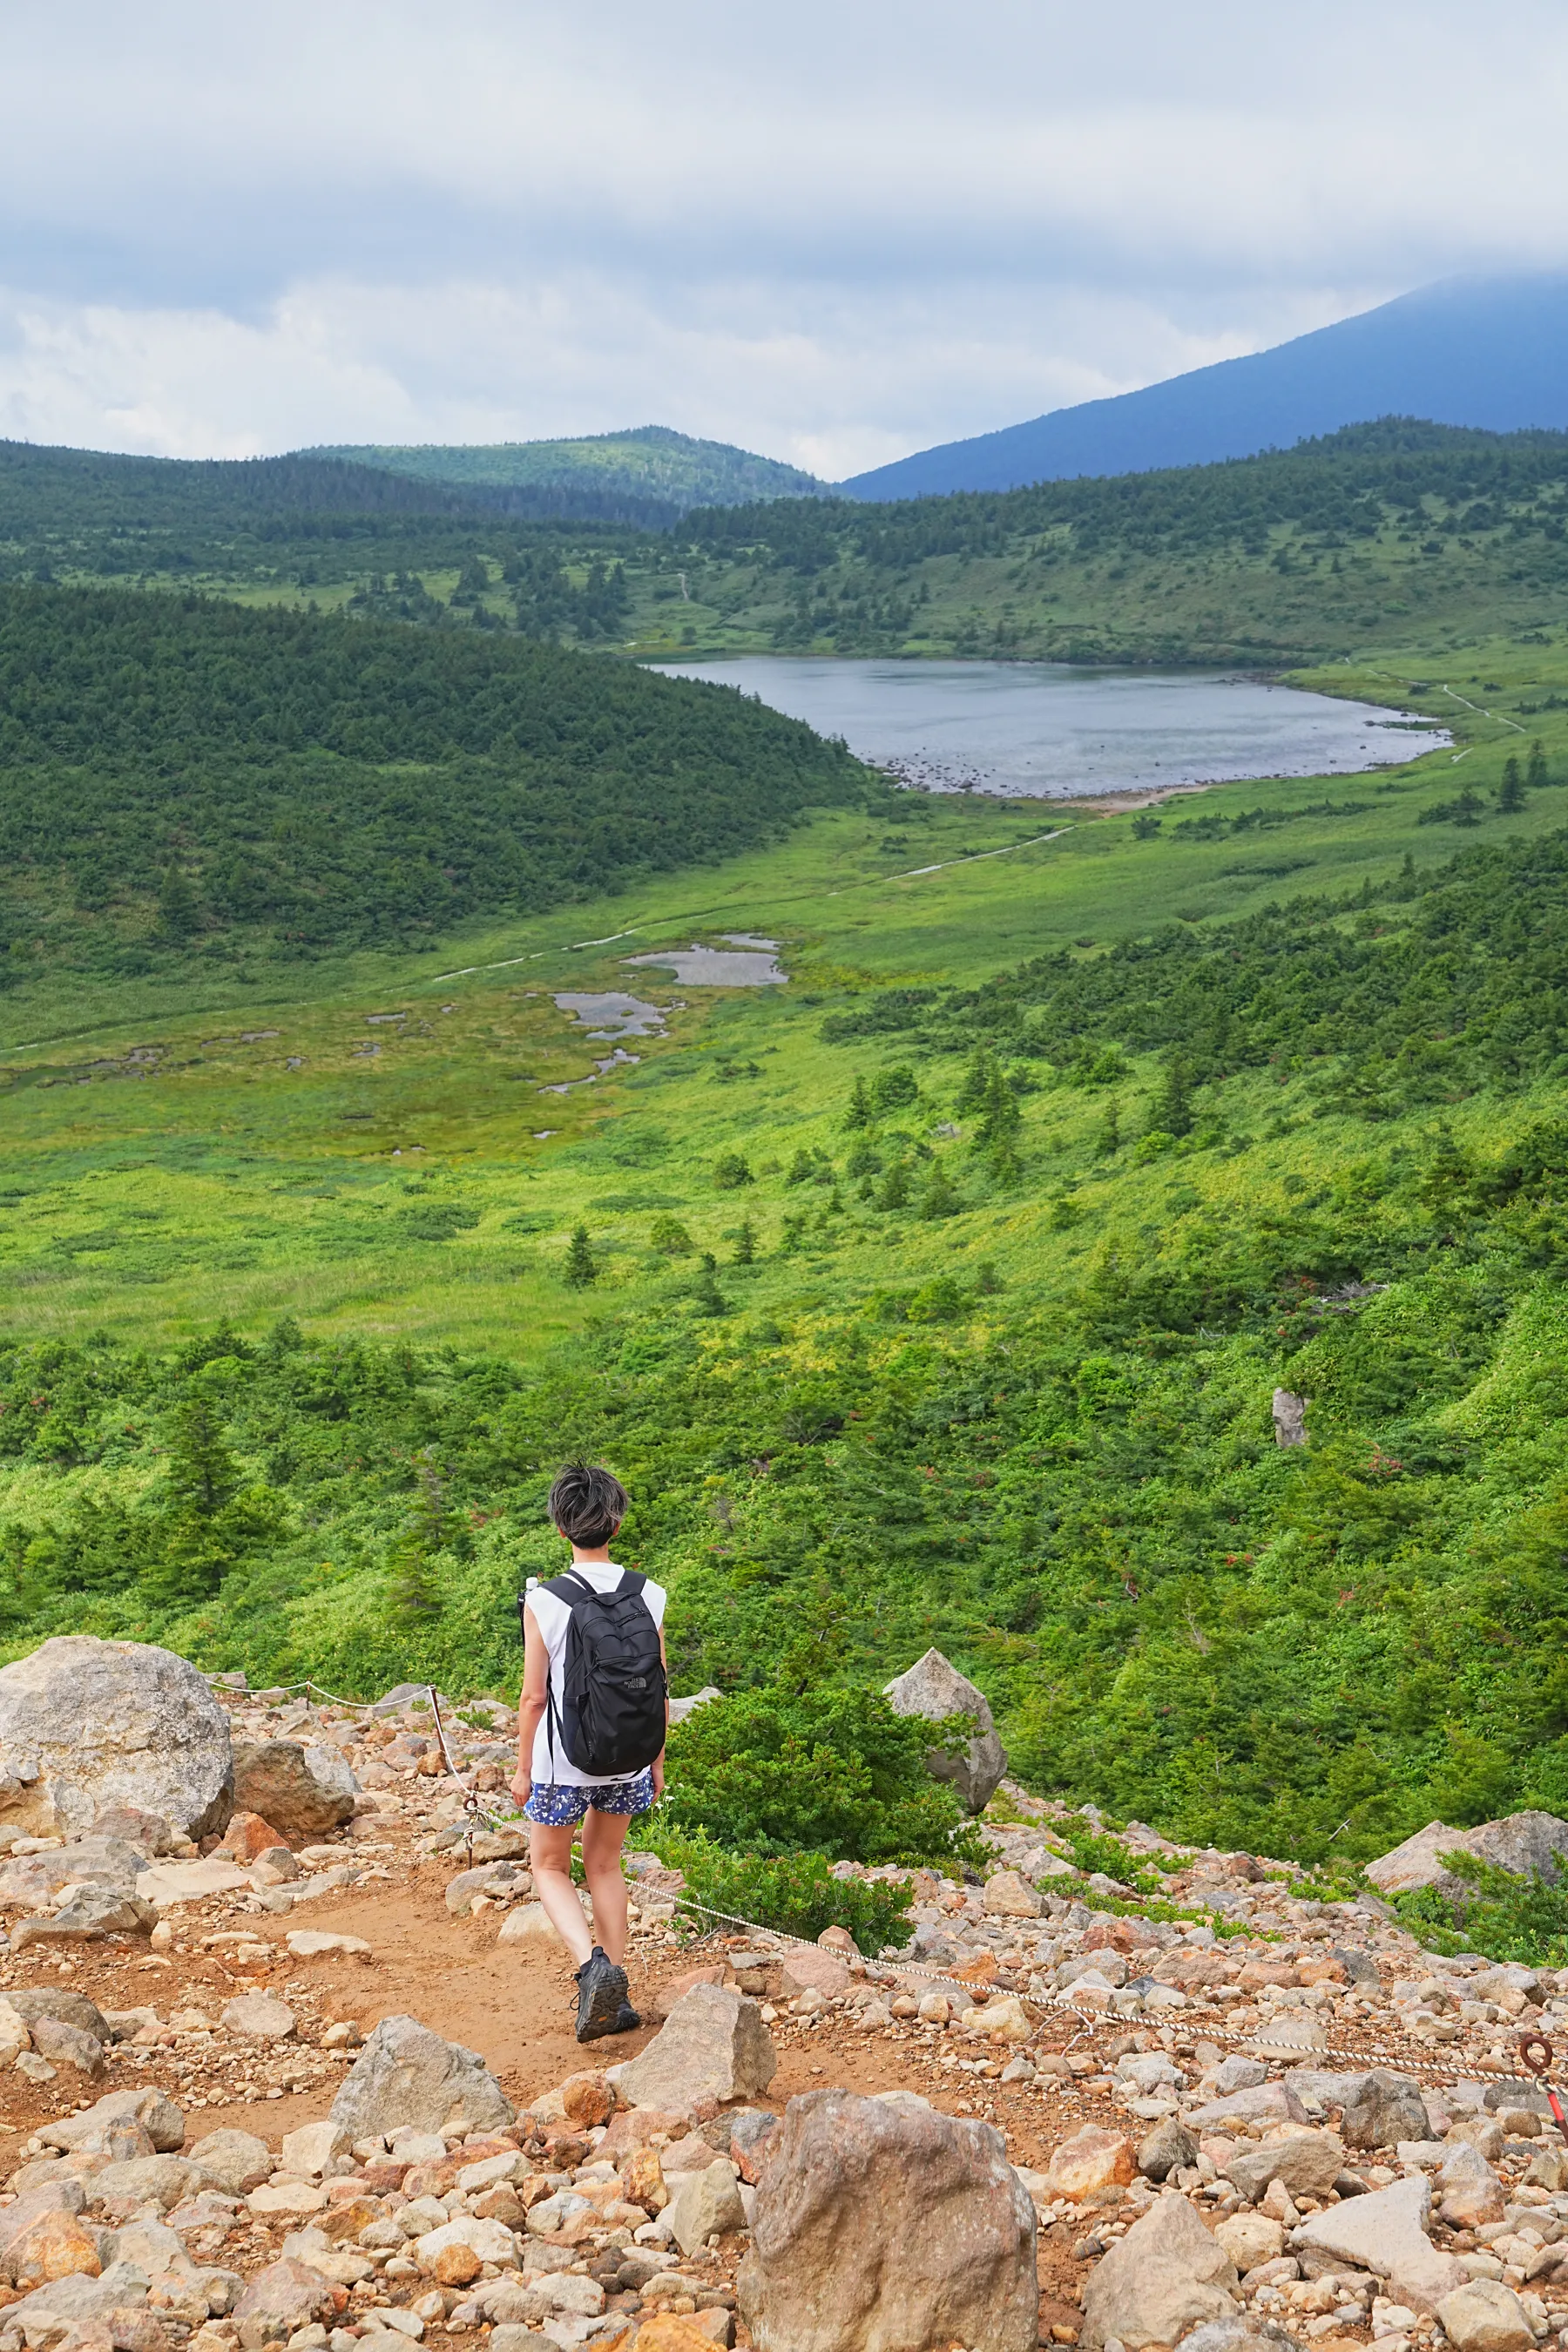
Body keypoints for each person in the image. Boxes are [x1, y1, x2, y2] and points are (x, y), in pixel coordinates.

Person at [510, 1462, 668, 2042]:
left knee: (549, 1866)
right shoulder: (648, 1592)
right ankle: (617, 1985)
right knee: (605, 1864)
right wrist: (655, 1760)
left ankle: (590, 1969)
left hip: (561, 1765)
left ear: (560, 1528)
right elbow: (660, 1682)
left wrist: (524, 1768)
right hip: (628, 1755)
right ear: (617, 1523)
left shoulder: (545, 1600)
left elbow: (532, 1698)